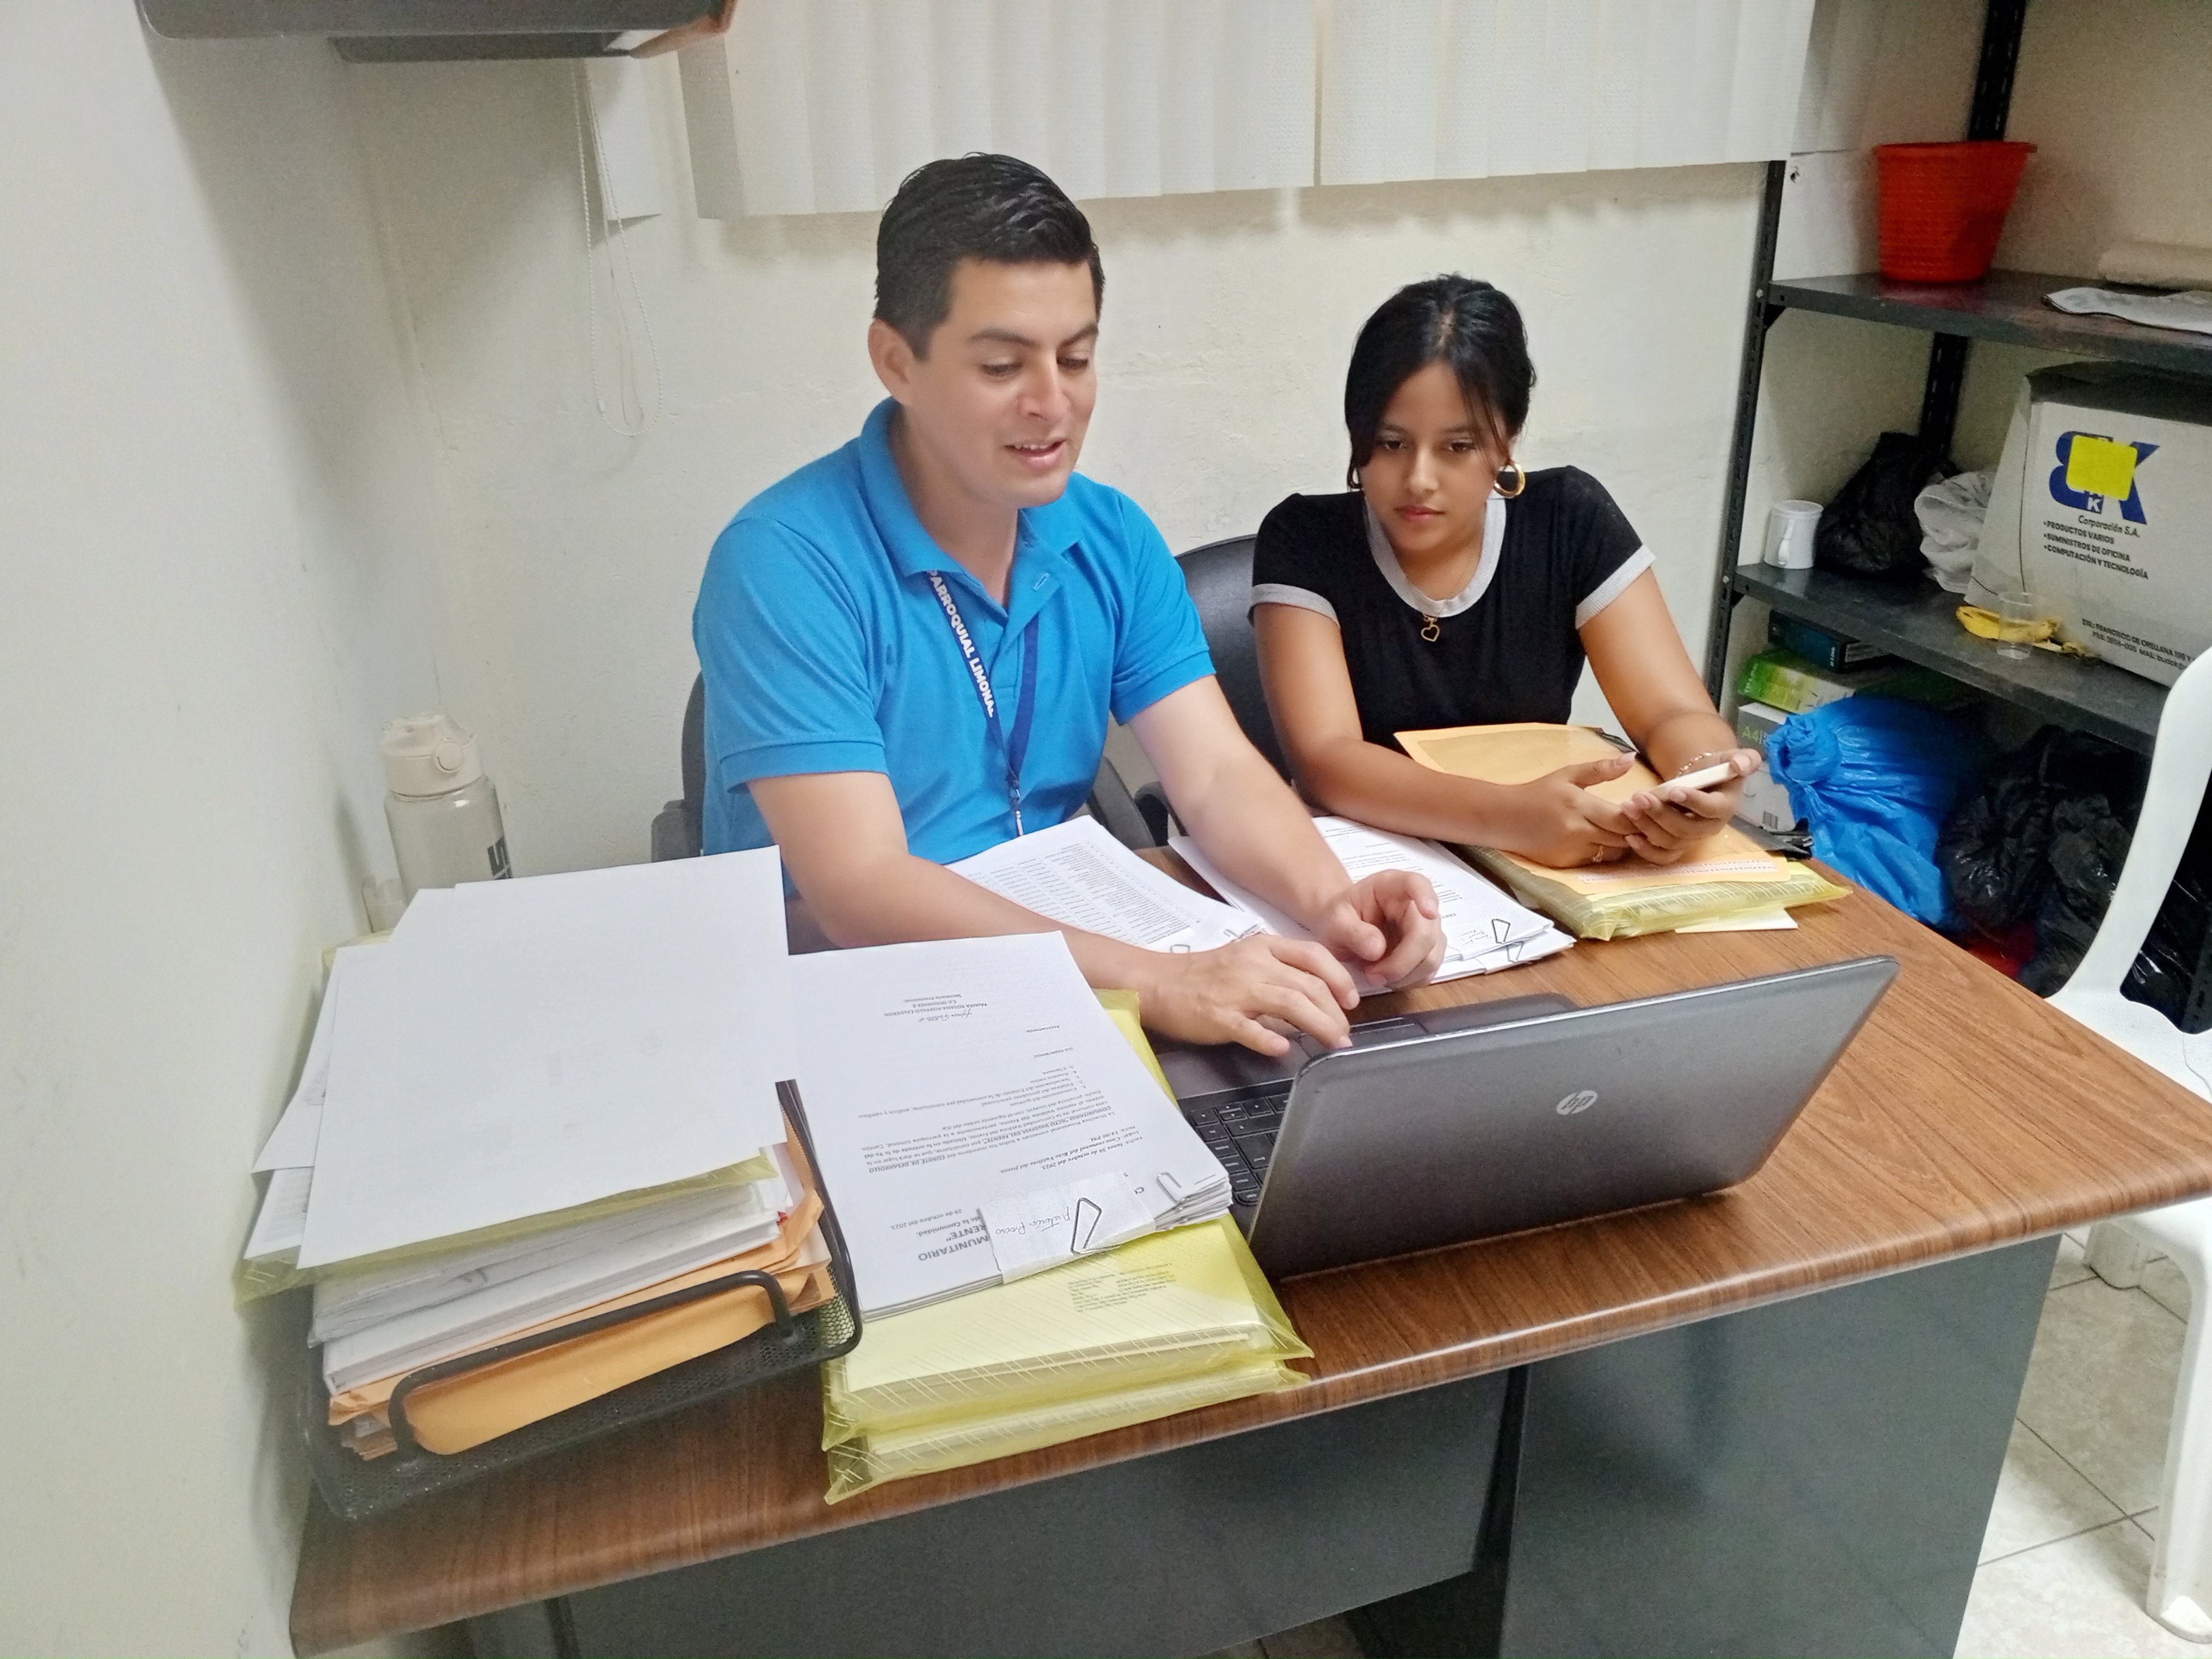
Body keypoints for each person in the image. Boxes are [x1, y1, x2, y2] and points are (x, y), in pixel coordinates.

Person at [694, 155, 1445, 1055]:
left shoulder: (1108, 534)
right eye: (1002, 365)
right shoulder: (783, 562)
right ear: (897, 361)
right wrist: (1160, 980)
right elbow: (861, 887)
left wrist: (1330, 901)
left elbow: (1214, 773)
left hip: (1066, 974)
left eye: (1076, 358)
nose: (1052, 404)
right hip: (853, 1004)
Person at [1250, 275, 1761, 869]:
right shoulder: (1304, 540)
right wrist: (1510, 818)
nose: (1418, 479)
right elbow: (1326, 760)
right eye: (1391, 444)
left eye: (1457, 447)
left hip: (1542, 866)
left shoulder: (1568, 518)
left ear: (1507, 442)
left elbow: (1671, 713)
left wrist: (1700, 779)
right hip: (1368, 866)